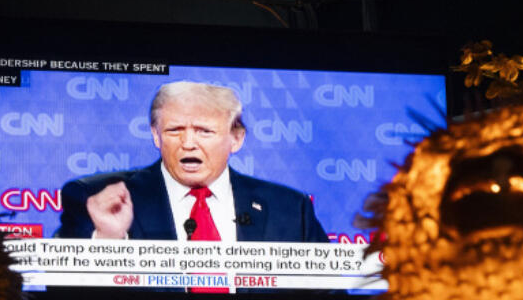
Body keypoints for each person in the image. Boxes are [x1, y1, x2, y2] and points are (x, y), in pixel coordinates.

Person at [56, 80, 328, 242]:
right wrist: (108, 239)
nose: (188, 143)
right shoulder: (96, 198)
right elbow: (60, 299)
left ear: (236, 138)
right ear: (156, 135)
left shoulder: (291, 208)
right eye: (175, 130)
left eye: (204, 131)